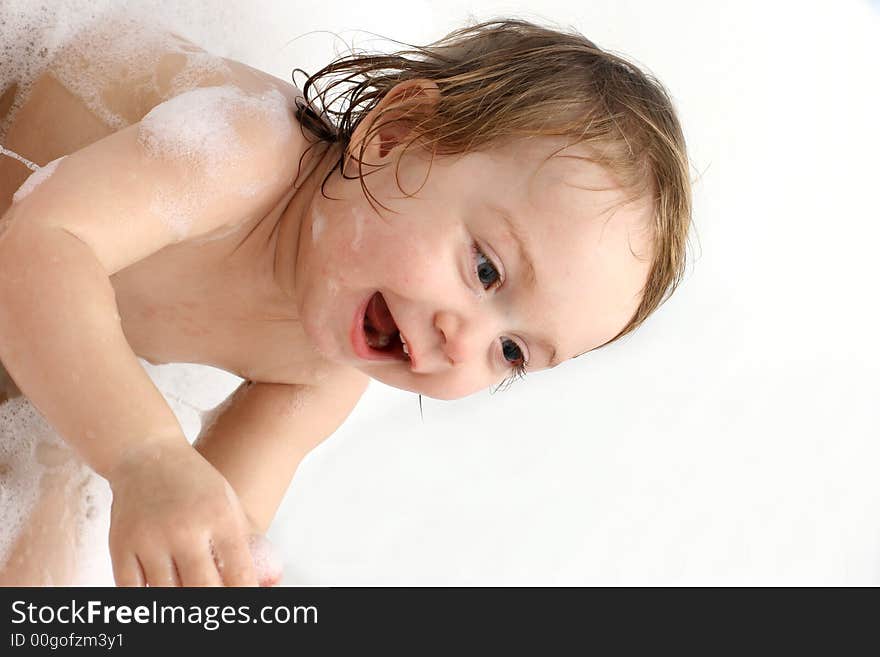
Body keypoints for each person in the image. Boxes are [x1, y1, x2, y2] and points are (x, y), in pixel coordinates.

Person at [0, 14, 692, 586]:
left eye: (510, 352)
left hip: (48, 351)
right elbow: (35, 245)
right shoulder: (241, 149)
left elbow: (213, 540)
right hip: (26, 236)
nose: (464, 340)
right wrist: (145, 453)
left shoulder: (320, 377)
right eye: (485, 269)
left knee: (43, 558)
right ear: (393, 136)